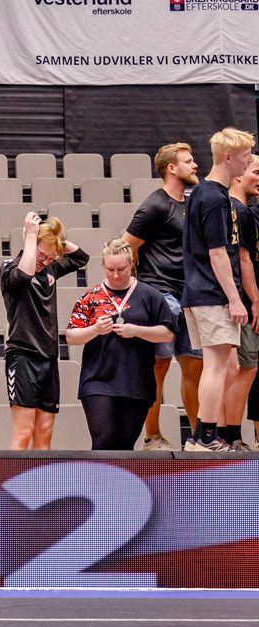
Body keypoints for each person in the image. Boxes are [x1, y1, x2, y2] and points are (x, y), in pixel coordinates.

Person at [123, 142, 202, 451]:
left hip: (190, 296)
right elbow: (127, 245)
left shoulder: (191, 203)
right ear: (172, 168)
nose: (195, 165)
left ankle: (199, 439)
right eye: (188, 161)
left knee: (195, 366)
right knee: (158, 367)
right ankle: (152, 436)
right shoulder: (154, 205)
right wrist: (142, 291)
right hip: (160, 295)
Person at [181, 127, 254, 452]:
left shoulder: (204, 192)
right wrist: (235, 299)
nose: (249, 161)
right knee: (215, 367)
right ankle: (206, 437)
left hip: (201, 292)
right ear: (228, 157)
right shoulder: (213, 197)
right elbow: (217, 253)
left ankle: (201, 434)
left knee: (226, 366)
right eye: (245, 156)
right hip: (212, 294)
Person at [66, 239, 175, 450]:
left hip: (136, 380)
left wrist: (137, 331)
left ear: (131, 263)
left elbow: (167, 334)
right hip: (98, 379)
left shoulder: (150, 295)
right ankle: (98, 474)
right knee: (103, 440)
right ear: (103, 266)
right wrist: (95, 329)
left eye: (121, 269)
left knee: (125, 446)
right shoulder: (90, 297)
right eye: (110, 270)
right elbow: (71, 336)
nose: (116, 275)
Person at [1, 213, 88, 450]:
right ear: (30, 243)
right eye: (42, 255)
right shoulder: (10, 268)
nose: (46, 261)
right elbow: (24, 275)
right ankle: (14, 476)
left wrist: (55, 239)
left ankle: (40, 476)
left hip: (49, 358)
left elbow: (81, 258)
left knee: (45, 432)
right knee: (23, 431)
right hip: (23, 357)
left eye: (51, 257)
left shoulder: (51, 270)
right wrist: (31, 235)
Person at [221, 154, 259, 450]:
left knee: (238, 368)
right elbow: (243, 260)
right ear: (238, 174)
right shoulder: (238, 210)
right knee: (244, 368)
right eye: (255, 172)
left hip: (234, 299)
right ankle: (230, 435)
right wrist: (254, 301)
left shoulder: (233, 208)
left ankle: (225, 434)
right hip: (239, 301)